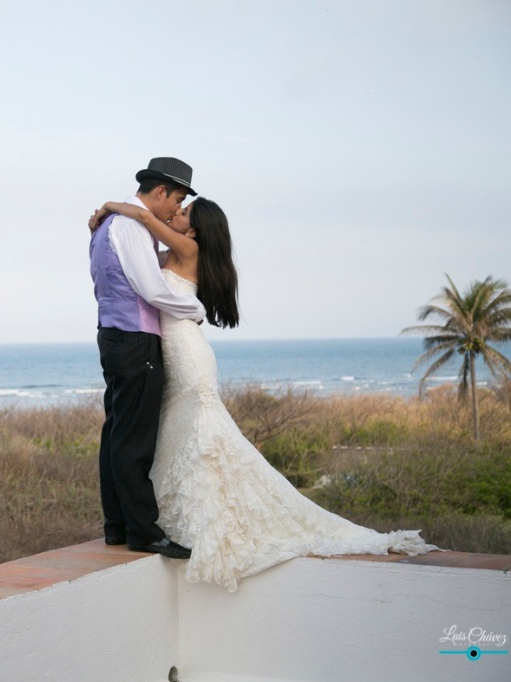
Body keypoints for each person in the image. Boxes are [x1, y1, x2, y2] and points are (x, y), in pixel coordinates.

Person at [89, 197, 439, 592]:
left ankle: (193, 516)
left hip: (186, 350)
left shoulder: (189, 248)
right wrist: (103, 228)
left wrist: (112, 207)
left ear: (195, 229)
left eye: (184, 213)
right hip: (169, 347)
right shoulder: (170, 249)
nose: (177, 213)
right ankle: (167, 514)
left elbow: (141, 216)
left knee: (201, 429)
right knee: (178, 429)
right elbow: (132, 257)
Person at [88, 157, 206, 559]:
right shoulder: (131, 228)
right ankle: (143, 531)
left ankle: (117, 526)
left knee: (117, 432)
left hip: (113, 334)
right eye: (176, 200)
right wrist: (196, 311)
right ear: (160, 192)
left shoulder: (107, 225)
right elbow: (152, 291)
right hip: (136, 340)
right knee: (135, 438)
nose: (176, 209)